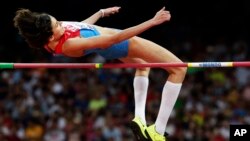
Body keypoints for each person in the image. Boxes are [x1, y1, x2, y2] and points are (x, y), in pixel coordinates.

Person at [13, 6, 186, 141]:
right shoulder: (68, 45)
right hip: (118, 43)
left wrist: (100, 13)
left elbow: (80, 26)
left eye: (57, 21)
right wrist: (152, 21)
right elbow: (113, 40)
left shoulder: (52, 33)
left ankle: (139, 119)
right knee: (179, 68)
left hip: (110, 42)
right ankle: (158, 130)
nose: (61, 24)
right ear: (51, 38)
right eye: (57, 25)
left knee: (142, 66)